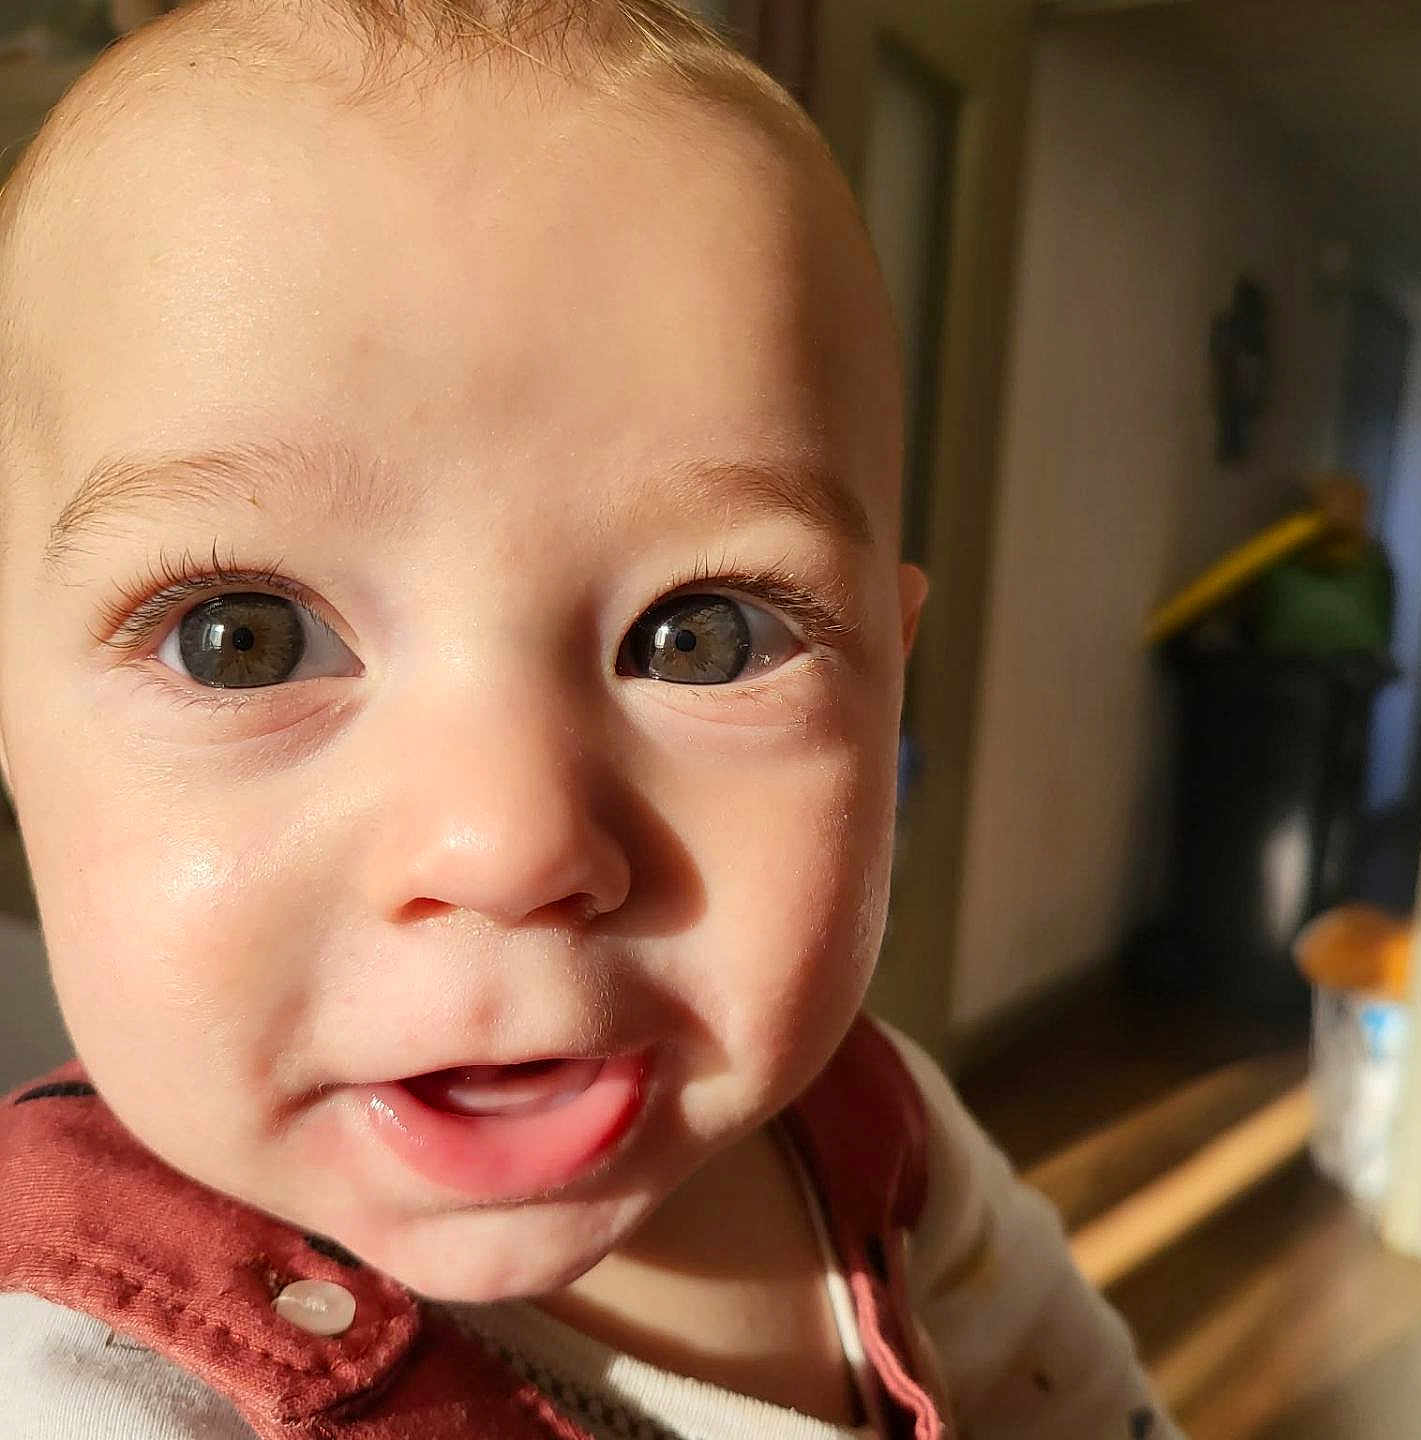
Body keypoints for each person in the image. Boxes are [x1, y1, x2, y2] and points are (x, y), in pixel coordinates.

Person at [0, 2, 1181, 1435]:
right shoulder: (83, 1379)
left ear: (887, 674)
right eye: (240, 640)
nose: (510, 843)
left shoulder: (887, 1137)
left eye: (704, 637)